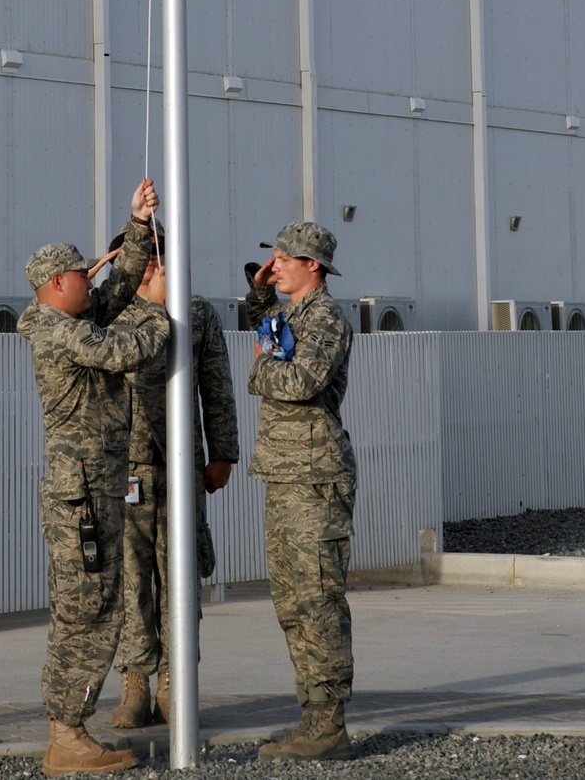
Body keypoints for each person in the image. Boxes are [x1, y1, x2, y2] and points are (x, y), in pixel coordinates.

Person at [16, 179, 170, 777]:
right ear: (57, 284)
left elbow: (120, 286)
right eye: (83, 274)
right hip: (81, 494)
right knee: (88, 610)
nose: (94, 278)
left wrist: (136, 227)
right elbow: (125, 348)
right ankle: (68, 734)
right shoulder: (57, 329)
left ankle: (69, 732)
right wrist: (159, 312)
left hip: (91, 486)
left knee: (94, 605)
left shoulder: (67, 315)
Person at [110, 224, 239, 729]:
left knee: (180, 576)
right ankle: (135, 684)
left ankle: (174, 682)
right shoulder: (111, 311)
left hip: (181, 465)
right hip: (126, 466)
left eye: (155, 253)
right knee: (130, 579)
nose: (148, 262)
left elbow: (217, 386)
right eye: (138, 254)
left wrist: (222, 452)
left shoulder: (197, 311)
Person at [244, 221, 357, 762]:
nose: (276, 264)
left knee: (319, 600)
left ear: (314, 265)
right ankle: (311, 713)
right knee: (291, 603)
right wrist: (262, 292)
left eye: (285, 258)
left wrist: (259, 370)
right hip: (285, 475)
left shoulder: (327, 318)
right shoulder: (290, 314)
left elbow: (300, 381)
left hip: (315, 477)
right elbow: (261, 328)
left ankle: (329, 721)